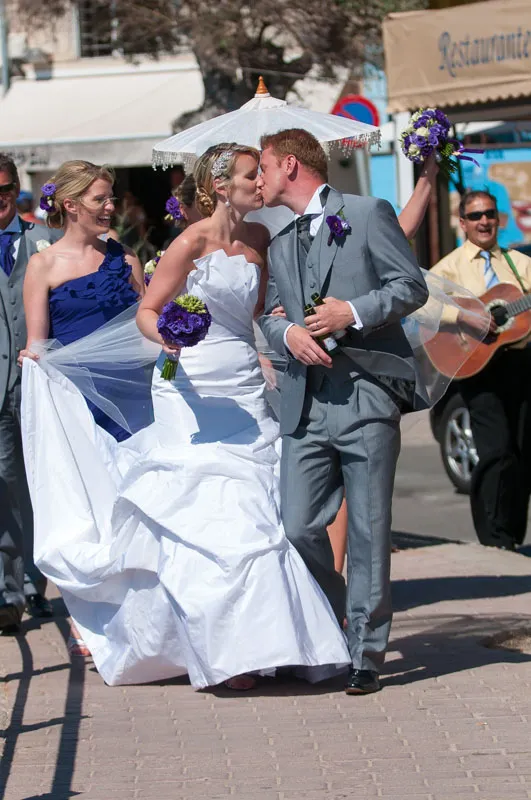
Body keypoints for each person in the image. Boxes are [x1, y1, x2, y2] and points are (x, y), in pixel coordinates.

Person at [20, 143, 350, 689]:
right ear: (222, 186)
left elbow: (258, 312)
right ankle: (228, 649)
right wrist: (169, 337)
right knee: (213, 519)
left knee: (267, 514)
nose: (259, 183)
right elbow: (150, 314)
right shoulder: (187, 242)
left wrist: (282, 336)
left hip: (242, 384)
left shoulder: (262, 238)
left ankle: (283, 640)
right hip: (188, 390)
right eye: (251, 174)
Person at [257, 128, 429, 695]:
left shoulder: (367, 211)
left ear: (289, 165)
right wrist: (285, 334)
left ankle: (366, 651)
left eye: (262, 168)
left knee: (370, 530)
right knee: (297, 523)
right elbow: (271, 315)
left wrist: (351, 311)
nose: (257, 179)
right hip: (304, 403)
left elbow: (411, 286)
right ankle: (337, 618)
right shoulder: (280, 243)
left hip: (365, 397)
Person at [19, 160, 144, 652]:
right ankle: (89, 616)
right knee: (89, 508)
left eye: (111, 198)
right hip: (77, 406)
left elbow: (147, 319)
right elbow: (37, 342)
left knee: (133, 502)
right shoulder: (43, 266)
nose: (110, 207)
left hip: (134, 399)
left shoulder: (125, 258)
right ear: (70, 205)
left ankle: (141, 609)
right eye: (100, 199)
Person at [430, 190, 531, 551]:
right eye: (475, 216)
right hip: (477, 367)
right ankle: (493, 536)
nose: (484, 221)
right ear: (463, 223)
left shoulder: (519, 264)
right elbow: (422, 304)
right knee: (495, 451)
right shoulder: (450, 267)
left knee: (521, 453)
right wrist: (464, 315)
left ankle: (513, 535)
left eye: (489, 214)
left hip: (520, 363)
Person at [0, 153, 59, 635]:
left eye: (2, 191)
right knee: (5, 489)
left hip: (39, 386)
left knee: (42, 484)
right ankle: (9, 591)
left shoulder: (44, 240)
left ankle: (38, 585)